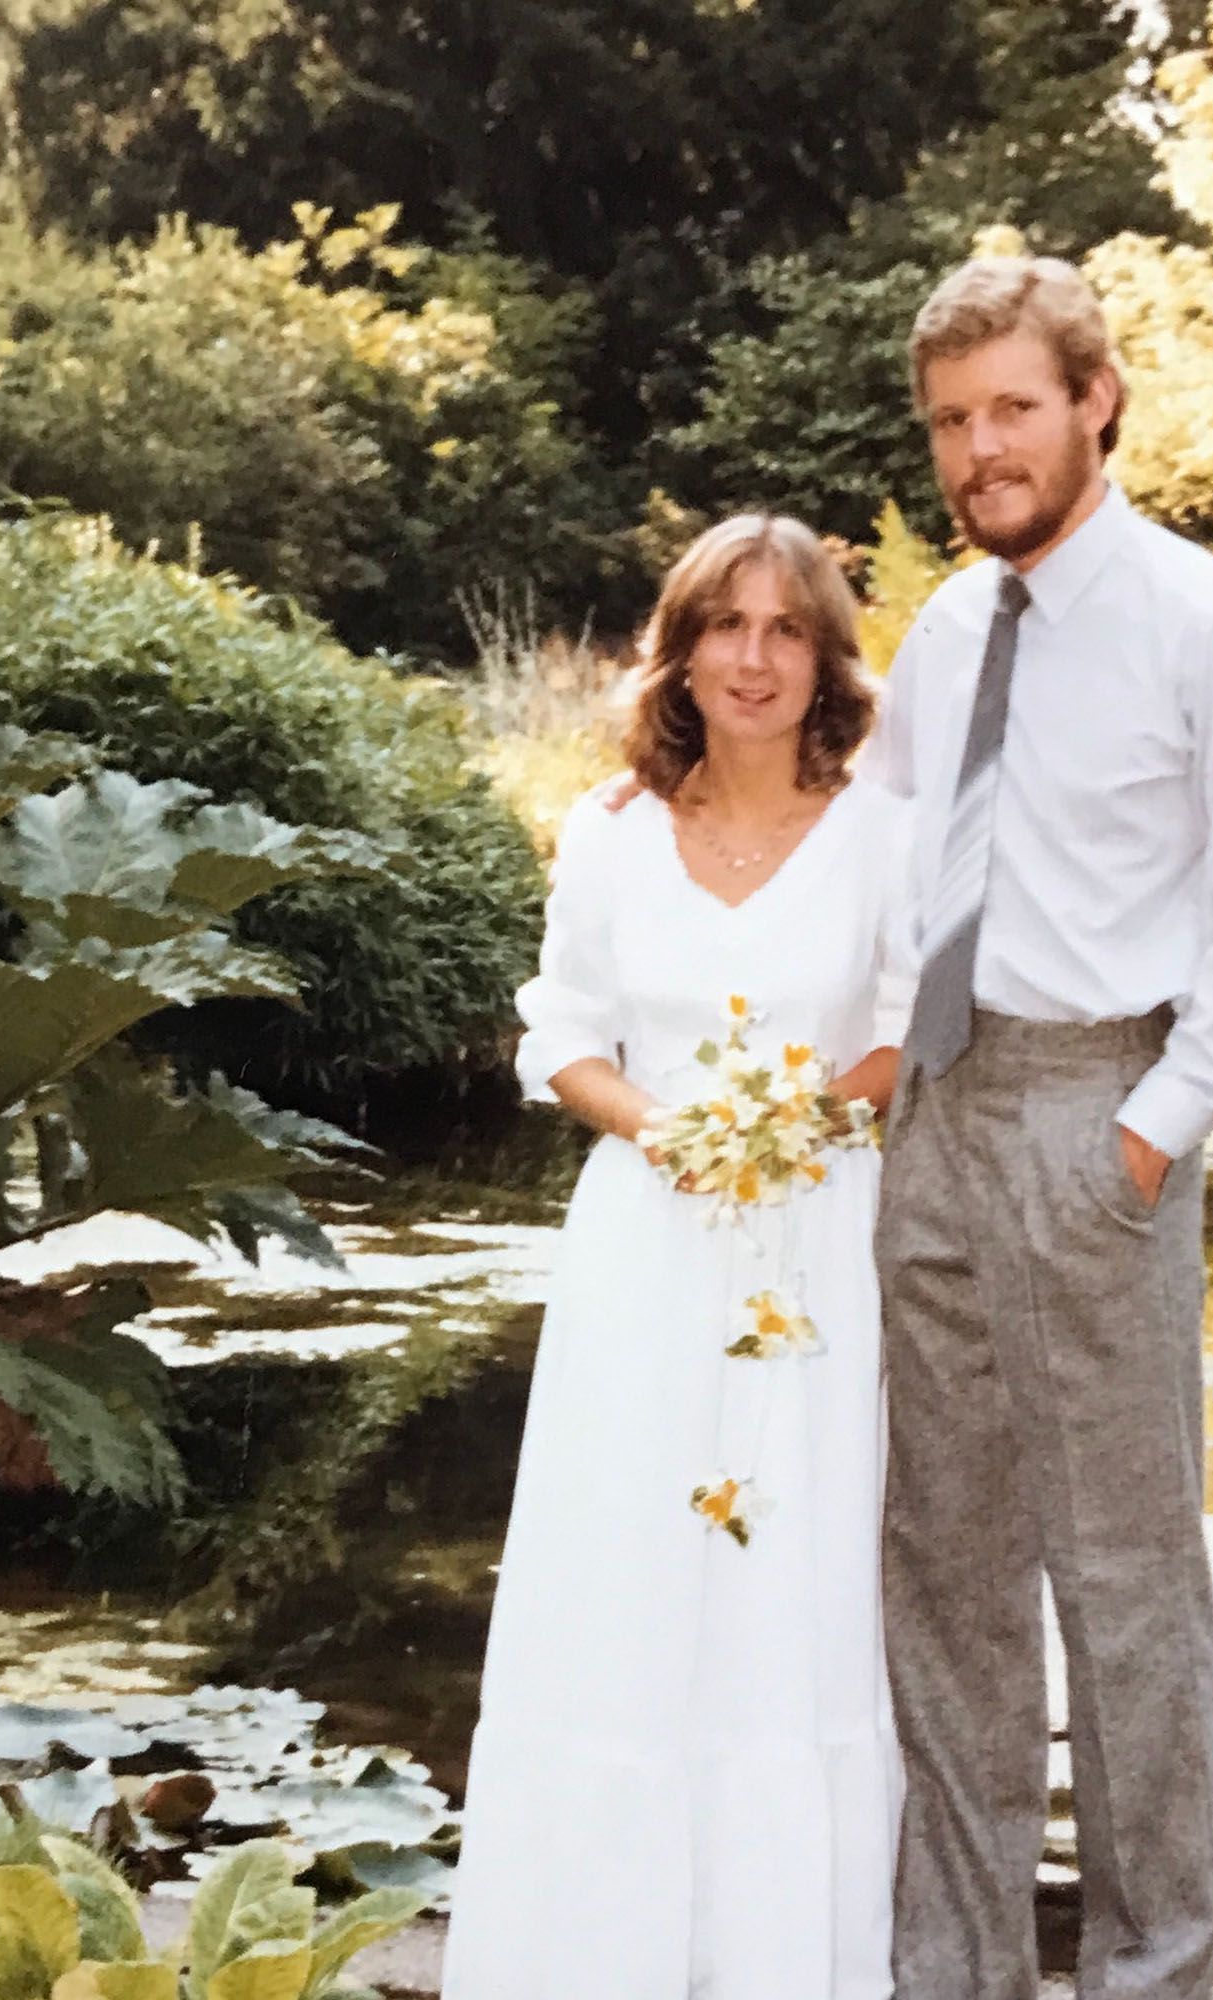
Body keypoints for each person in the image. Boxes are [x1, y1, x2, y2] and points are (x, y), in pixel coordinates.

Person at [867, 256, 1213, 1999]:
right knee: (947, 1579)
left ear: (1096, 402)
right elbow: (889, 863)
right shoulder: (943, 631)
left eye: (1012, 411)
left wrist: (1152, 1131)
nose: (981, 452)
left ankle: (1154, 1976)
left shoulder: (1212, 625)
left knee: (1126, 1590)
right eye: (953, 424)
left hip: (1093, 1111)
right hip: (938, 1116)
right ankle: (959, 1974)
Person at [441, 512, 917, 2000]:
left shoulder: (886, 828)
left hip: (819, 1244)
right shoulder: (609, 830)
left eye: (788, 629)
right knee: (628, 1585)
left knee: (794, 1585)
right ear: (683, 647)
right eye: (727, 626)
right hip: (648, 1242)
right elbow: (563, 1037)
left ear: (825, 654)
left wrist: (805, 1123)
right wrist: (665, 1133)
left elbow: (908, 1027)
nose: (756, 659)